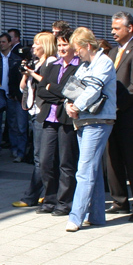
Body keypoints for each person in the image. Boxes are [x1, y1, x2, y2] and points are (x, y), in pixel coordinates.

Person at [62, 27, 117, 231]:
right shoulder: (84, 66)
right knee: (92, 168)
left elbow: (93, 89)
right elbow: (72, 88)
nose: (76, 53)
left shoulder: (104, 63)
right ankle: (96, 215)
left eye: (77, 49)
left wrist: (76, 106)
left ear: (87, 45)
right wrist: (68, 104)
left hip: (98, 120)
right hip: (84, 120)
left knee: (84, 170)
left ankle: (76, 217)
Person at [105, 12, 133, 222]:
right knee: (112, 159)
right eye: (112, 28)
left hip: (128, 115)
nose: (112, 32)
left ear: (129, 28)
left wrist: (117, 106)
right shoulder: (113, 52)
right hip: (111, 115)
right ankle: (120, 200)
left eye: (117, 28)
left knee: (132, 162)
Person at [35, 28, 80, 214]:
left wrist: (52, 88)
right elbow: (40, 90)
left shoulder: (79, 66)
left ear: (73, 46)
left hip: (67, 119)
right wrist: (60, 93)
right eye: (59, 44)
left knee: (66, 163)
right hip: (49, 118)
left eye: (65, 44)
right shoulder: (53, 65)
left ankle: (65, 202)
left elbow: (72, 92)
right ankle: (50, 199)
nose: (61, 48)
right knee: (45, 161)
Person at [14, 32, 56, 207]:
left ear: (45, 45)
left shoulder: (51, 62)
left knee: (41, 157)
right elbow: (22, 87)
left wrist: (33, 73)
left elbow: (48, 84)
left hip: (44, 112)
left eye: (37, 43)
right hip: (33, 111)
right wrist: (26, 73)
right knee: (40, 156)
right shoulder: (35, 62)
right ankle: (46, 192)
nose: (33, 47)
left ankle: (32, 196)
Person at [0, 32, 26, 161]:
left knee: (13, 124)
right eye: (0, 42)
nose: (1, 44)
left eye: (4, 42)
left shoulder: (17, 59)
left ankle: (15, 149)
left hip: (12, 95)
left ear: (10, 43)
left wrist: (16, 93)